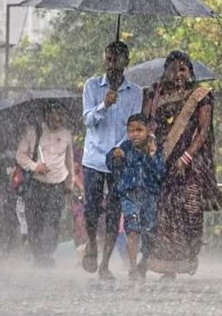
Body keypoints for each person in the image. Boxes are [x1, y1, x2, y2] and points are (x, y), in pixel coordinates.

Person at [144, 50, 222, 279]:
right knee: (166, 214)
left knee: (189, 210)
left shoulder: (201, 95)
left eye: (183, 69)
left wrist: (186, 157)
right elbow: (148, 123)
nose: (178, 74)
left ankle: (189, 255)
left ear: (190, 72)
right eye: (172, 69)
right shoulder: (156, 93)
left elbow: (203, 130)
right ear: (165, 72)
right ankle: (169, 267)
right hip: (163, 160)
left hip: (191, 162)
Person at [82, 41, 143, 280]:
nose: (112, 64)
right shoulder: (92, 86)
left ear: (126, 61)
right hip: (94, 158)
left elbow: (134, 125)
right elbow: (87, 120)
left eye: (116, 59)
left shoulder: (136, 92)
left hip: (119, 160)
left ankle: (105, 264)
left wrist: (121, 148)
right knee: (91, 209)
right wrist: (104, 104)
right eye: (108, 59)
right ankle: (91, 244)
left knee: (113, 212)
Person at [106, 113, 166, 281]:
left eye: (139, 130)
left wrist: (153, 156)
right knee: (132, 229)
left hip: (149, 196)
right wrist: (114, 156)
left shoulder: (155, 149)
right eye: (131, 131)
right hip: (129, 196)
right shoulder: (124, 147)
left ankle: (144, 261)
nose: (135, 134)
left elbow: (161, 172)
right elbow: (110, 163)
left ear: (148, 130)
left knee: (149, 230)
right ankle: (132, 267)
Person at [16, 102, 76, 267]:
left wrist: (70, 184)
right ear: (47, 114)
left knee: (53, 220)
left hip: (57, 185)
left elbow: (69, 161)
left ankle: (46, 254)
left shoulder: (66, 134)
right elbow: (20, 156)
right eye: (55, 114)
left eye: (61, 115)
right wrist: (35, 166)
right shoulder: (33, 131)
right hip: (36, 184)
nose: (58, 118)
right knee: (34, 221)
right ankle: (38, 255)